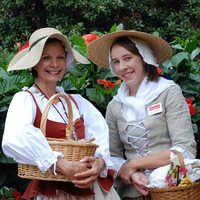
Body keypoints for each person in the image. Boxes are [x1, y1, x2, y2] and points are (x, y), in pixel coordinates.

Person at [2, 28, 120, 200]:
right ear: (35, 63)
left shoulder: (76, 102)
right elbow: (15, 137)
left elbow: (100, 134)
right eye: (46, 58)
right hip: (55, 192)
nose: (55, 64)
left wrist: (99, 163)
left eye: (60, 57)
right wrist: (59, 163)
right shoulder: (25, 100)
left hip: (91, 188)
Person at [86, 30, 197, 200]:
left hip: (174, 189)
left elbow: (185, 151)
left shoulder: (168, 93)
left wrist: (135, 164)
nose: (122, 67)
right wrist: (132, 175)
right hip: (134, 193)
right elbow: (111, 157)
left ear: (144, 58)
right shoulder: (115, 106)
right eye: (116, 61)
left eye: (128, 58)